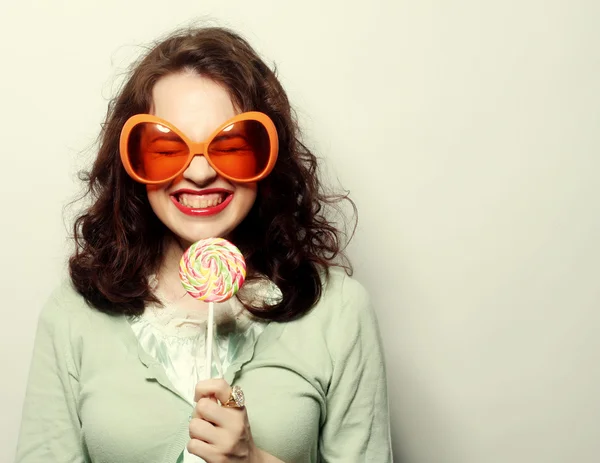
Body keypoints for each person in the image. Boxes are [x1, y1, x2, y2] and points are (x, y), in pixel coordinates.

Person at [16, 26, 392, 463]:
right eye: (165, 148)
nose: (198, 173)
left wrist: (254, 461)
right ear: (132, 163)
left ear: (268, 157)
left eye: (230, 146)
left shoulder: (338, 310)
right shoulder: (73, 314)